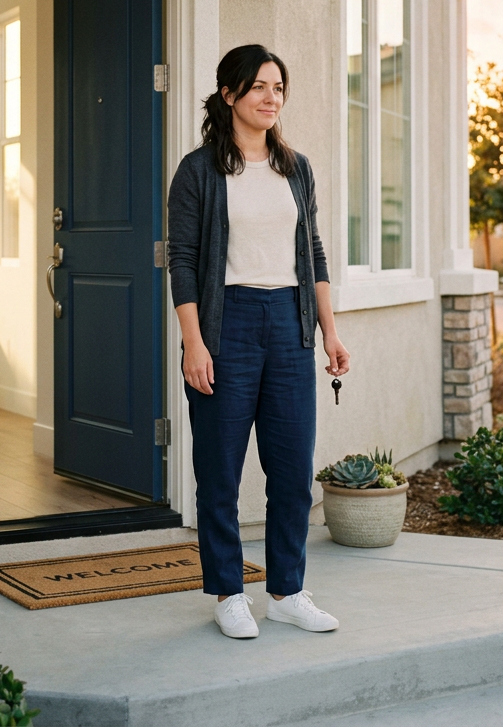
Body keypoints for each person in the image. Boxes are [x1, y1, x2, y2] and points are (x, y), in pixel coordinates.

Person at [167, 44, 351, 639]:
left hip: (291, 324)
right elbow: (183, 262)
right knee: (219, 469)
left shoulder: (295, 169)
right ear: (229, 95)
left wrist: (329, 332)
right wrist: (194, 344)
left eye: (279, 88)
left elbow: (313, 252)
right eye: (260, 88)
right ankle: (227, 592)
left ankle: (288, 591)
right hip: (227, 325)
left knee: (293, 471)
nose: (272, 98)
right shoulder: (199, 171)